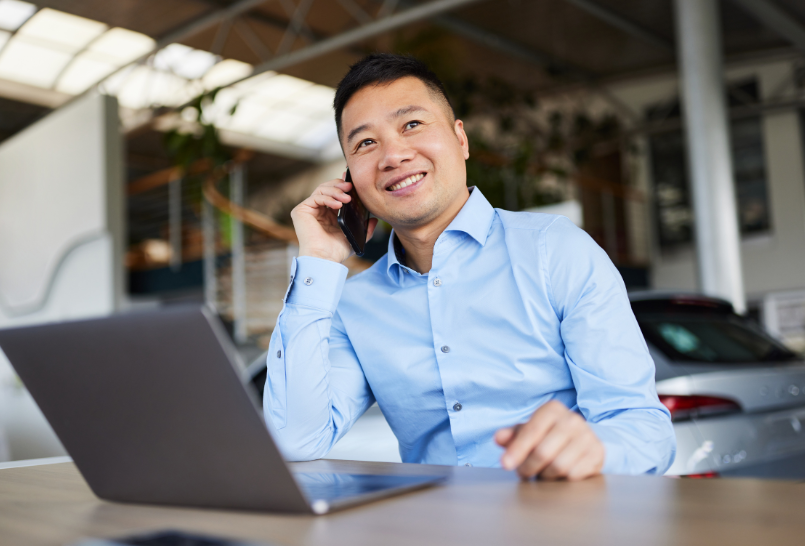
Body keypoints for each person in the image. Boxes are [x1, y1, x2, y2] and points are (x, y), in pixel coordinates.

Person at [263, 53, 675, 480]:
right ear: (351, 180)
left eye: (412, 124)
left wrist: (596, 451)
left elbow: (645, 429)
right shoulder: (354, 305)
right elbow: (295, 440)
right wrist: (317, 261)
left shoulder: (556, 250)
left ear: (460, 139)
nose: (393, 155)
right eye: (366, 143)